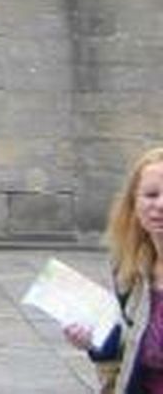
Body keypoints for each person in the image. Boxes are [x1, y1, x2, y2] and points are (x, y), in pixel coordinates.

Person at [68, 145, 163, 392]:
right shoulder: (130, 272)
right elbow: (121, 355)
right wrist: (91, 340)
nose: (160, 205)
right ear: (134, 204)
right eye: (151, 195)